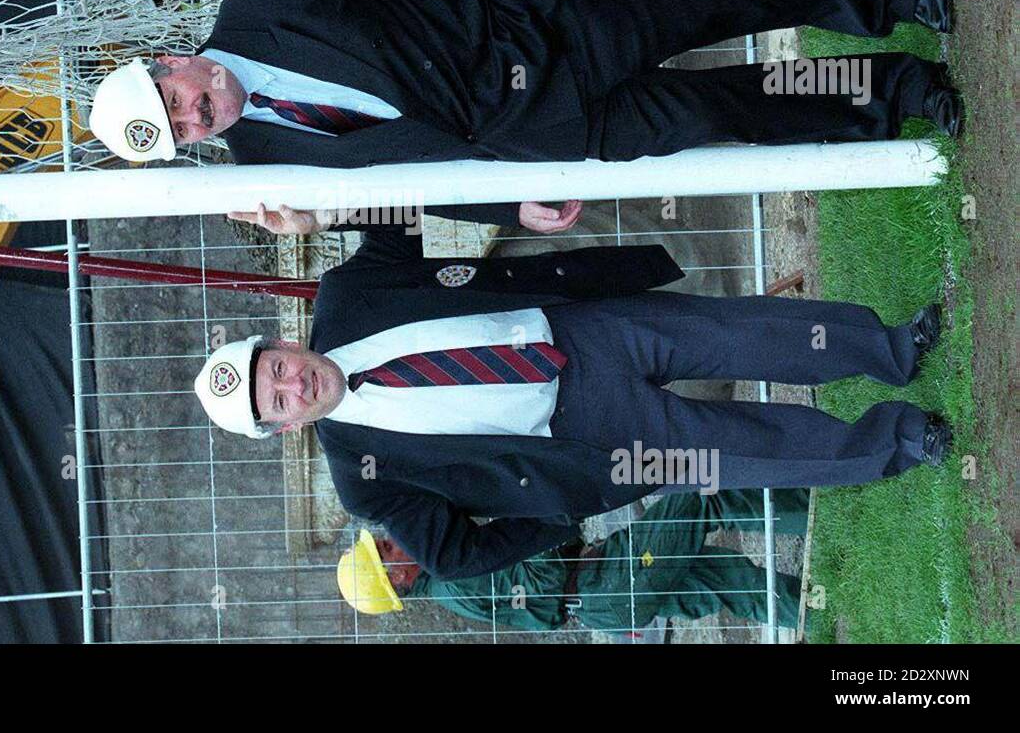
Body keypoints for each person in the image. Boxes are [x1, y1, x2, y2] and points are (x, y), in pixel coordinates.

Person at [88, 0, 962, 232]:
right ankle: (902, 95)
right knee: (728, 111)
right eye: (185, 130)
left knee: (721, 2)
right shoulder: (269, 169)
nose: (199, 112)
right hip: (541, 139)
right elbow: (416, 182)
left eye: (179, 98)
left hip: (540, 29)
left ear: (172, 60)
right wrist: (513, 205)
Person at [190, 224, 951, 579]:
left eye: (277, 370)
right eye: (277, 404)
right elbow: (455, 556)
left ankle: (890, 348)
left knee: (743, 329)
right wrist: (557, 512)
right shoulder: (365, 479)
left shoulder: (347, 293)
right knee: (746, 447)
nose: (293, 386)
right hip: (587, 437)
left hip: (579, 329)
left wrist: (320, 211)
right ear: (282, 428)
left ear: (282, 344)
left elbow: (400, 215)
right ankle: (899, 443)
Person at [337, 488, 810, 634]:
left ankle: (818, 605)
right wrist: (546, 512)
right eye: (385, 550)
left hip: (602, 587)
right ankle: (813, 513)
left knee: (730, 584)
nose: (392, 539)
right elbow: (537, 591)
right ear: (396, 578)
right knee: (697, 505)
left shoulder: (448, 576)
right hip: (605, 583)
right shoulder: (456, 582)